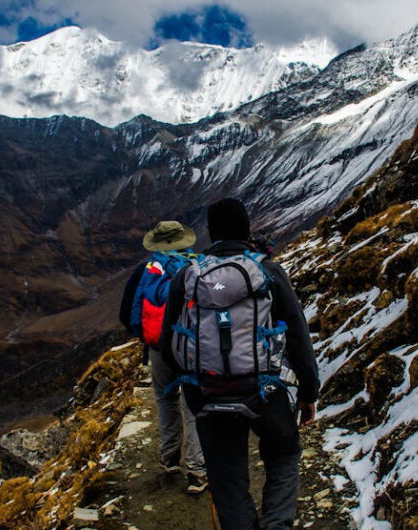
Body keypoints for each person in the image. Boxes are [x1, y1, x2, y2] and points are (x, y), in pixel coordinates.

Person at [160, 198, 320, 529]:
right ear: (247, 230)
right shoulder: (268, 272)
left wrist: (193, 387)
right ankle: (277, 523)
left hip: (208, 393)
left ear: (211, 233)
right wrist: (308, 390)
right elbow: (297, 334)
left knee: (228, 481)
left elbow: (168, 344)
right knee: (283, 453)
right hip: (263, 391)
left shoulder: (188, 277)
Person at [118, 220, 208, 494]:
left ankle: (170, 458)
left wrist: (147, 337)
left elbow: (126, 311)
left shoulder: (146, 270)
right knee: (193, 403)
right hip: (192, 347)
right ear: (185, 241)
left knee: (165, 398)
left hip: (159, 347)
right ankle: (197, 470)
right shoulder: (199, 265)